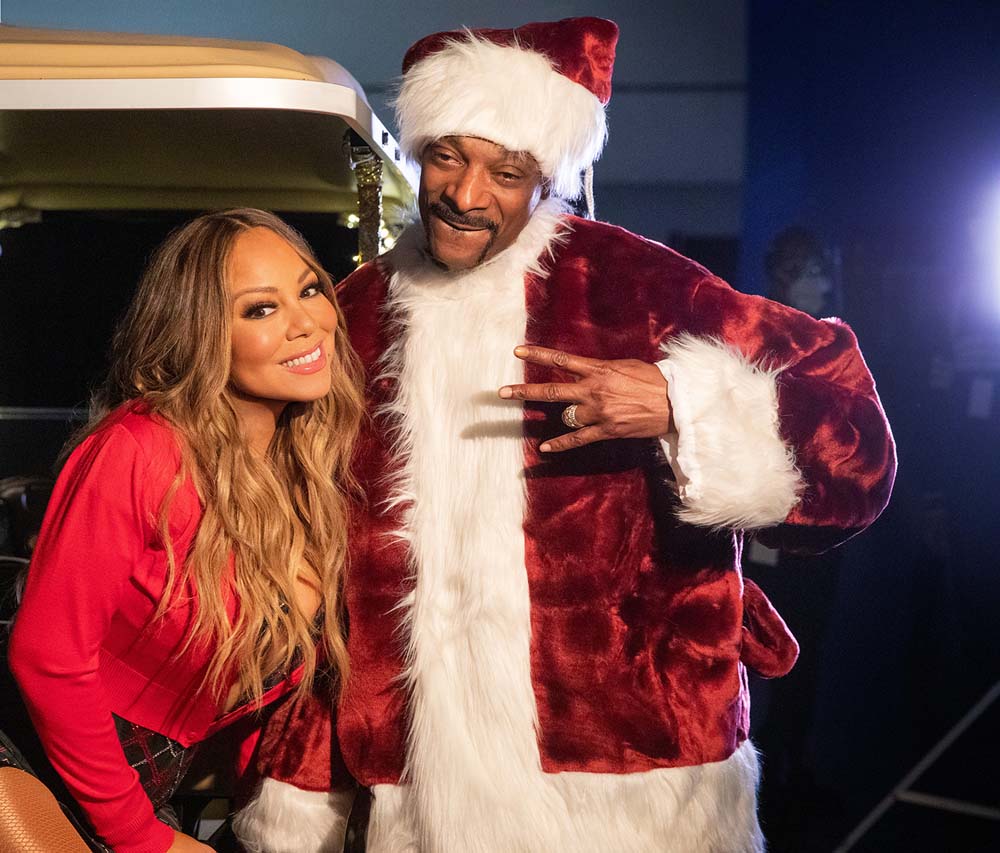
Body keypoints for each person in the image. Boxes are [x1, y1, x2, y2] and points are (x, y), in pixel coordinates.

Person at [237, 17, 896, 853]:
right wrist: (300, 792)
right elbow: (327, 585)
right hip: (424, 810)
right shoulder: (353, 319)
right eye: (448, 157)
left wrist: (681, 403)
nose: (467, 194)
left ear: (547, 179)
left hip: (642, 801)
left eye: (506, 172)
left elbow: (858, 454)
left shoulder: (637, 288)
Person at [6, 208, 364, 853]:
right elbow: (47, 658)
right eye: (261, 309)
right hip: (29, 764)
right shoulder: (140, 449)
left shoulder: (310, 472)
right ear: (201, 334)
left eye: (310, 289)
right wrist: (143, 838)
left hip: (141, 791)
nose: (307, 322)